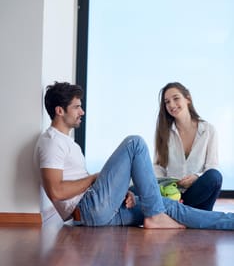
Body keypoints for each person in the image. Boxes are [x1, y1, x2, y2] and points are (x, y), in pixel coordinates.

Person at [34, 81, 234, 230]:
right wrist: (94, 178)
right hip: (87, 210)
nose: (82, 111)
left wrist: (123, 193)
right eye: (77, 107)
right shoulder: (52, 141)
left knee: (171, 207)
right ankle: (155, 215)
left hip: (99, 213)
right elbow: (56, 192)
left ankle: (230, 221)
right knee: (135, 143)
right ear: (60, 110)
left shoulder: (69, 143)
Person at [154, 81, 222, 210]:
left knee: (215, 176)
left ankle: (179, 212)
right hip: (173, 195)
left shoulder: (208, 130)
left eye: (176, 98)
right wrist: (165, 188)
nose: (171, 105)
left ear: (188, 99)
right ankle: (186, 213)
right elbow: (158, 166)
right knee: (135, 189)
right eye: (167, 102)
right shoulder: (164, 133)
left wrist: (196, 177)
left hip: (198, 193)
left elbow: (212, 166)